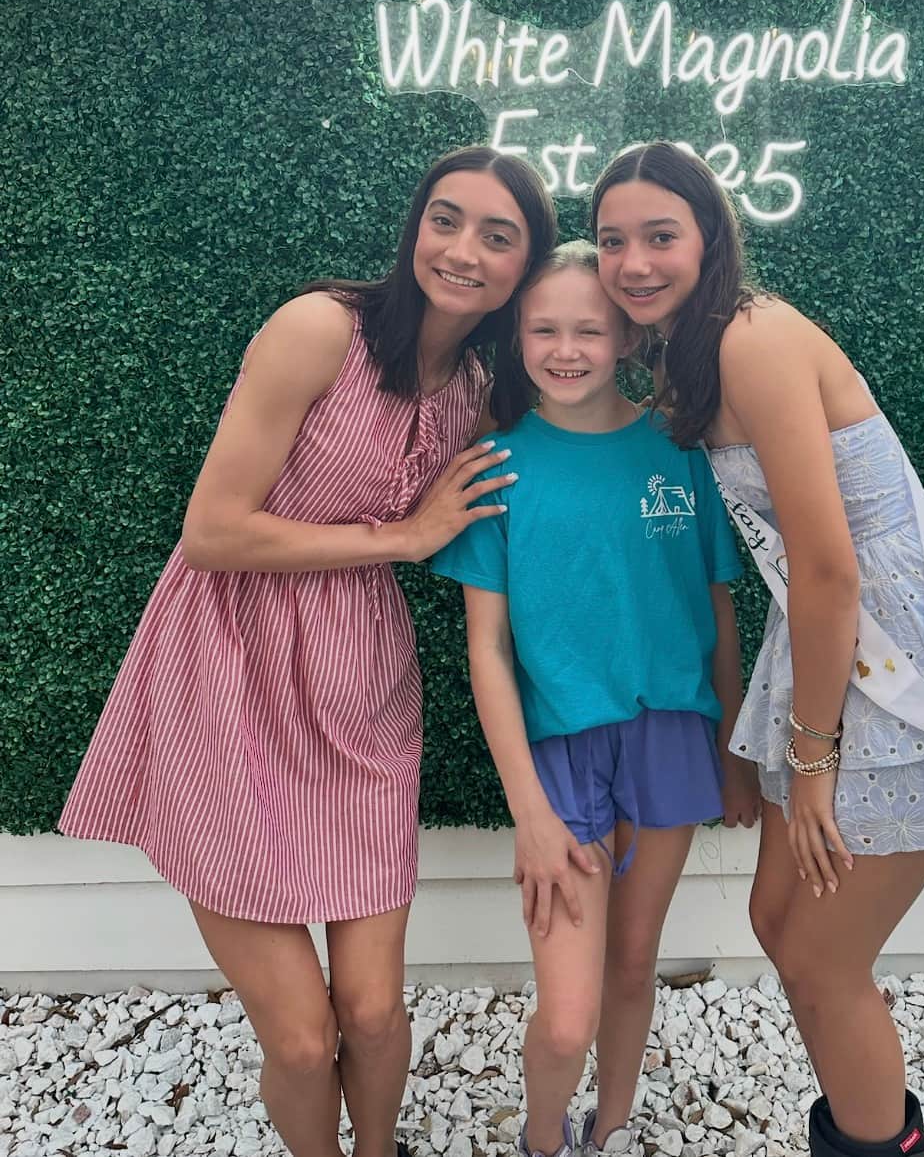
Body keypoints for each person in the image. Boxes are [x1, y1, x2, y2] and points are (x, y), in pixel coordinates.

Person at [59, 145, 558, 1157]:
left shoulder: (476, 389)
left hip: (360, 686)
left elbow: (569, 454)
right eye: (445, 218)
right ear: (414, 225)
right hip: (225, 671)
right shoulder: (316, 330)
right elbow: (212, 531)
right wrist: (402, 538)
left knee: (372, 1015)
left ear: (525, 266)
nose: (463, 249)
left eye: (498, 236)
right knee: (299, 1037)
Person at [591, 142, 924, 1157]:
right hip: (822, 648)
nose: (634, 261)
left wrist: (812, 765)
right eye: (612, 240)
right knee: (780, 922)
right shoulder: (691, 350)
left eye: (660, 235)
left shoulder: (753, 340)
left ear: (711, 235)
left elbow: (830, 570)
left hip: (900, 655)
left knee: (819, 957)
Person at [433, 240, 759, 1157]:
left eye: (588, 328)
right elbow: (488, 653)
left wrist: (732, 750)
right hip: (560, 754)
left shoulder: (675, 449)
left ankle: (609, 1130)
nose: (565, 347)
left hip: (670, 735)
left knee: (631, 962)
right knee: (567, 1014)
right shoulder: (496, 463)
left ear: (625, 337)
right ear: (516, 338)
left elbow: (716, 607)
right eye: (543, 328)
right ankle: (545, 1139)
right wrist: (528, 814)